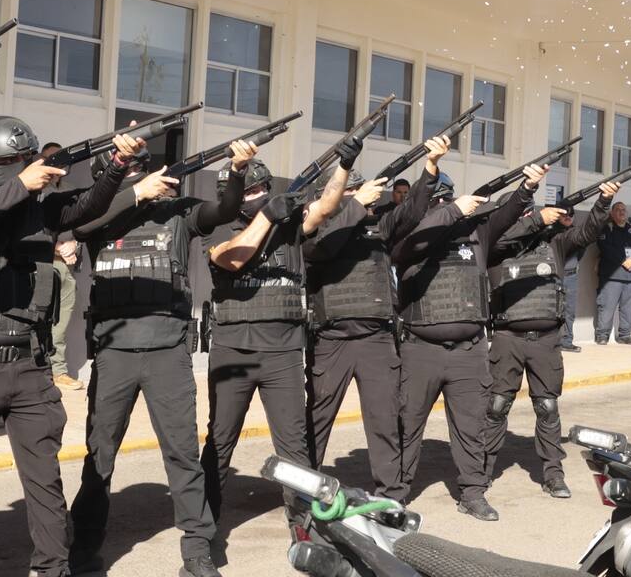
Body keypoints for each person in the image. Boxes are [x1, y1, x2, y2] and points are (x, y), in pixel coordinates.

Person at [0, 116, 142, 577]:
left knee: (45, 479)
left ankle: (53, 568)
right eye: (11, 162)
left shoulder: (41, 209)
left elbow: (88, 206)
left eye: (25, 160)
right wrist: (24, 183)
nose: (22, 168)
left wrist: (116, 165)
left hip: (30, 364)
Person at [69, 139, 258, 577]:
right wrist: (134, 194)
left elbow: (225, 211)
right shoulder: (97, 215)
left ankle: (197, 551)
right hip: (114, 352)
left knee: (182, 455)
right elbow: (81, 228)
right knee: (100, 454)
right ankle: (83, 549)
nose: (138, 175)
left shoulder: (177, 211)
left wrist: (237, 170)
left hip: (167, 351)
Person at [201, 146, 355, 534]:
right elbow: (233, 259)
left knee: (294, 448)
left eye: (256, 193)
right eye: (240, 193)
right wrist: (268, 216)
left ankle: (303, 525)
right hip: (232, 351)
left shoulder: (289, 226)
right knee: (219, 444)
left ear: (267, 189)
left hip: (283, 354)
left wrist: (344, 167)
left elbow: (326, 207)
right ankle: (205, 525)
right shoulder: (220, 226)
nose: (244, 199)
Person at [391, 162, 549, 521]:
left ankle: (473, 492)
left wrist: (528, 187)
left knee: (471, 427)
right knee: (406, 424)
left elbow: (508, 214)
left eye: (447, 201)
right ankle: (396, 492)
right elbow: (406, 248)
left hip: (468, 352)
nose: (444, 209)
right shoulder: (409, 238)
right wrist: (448, 211)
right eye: (437, 203)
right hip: (420, 349)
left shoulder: (477, 233)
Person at [303, 136, 449, 500]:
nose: (361, 196)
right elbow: (322, 248)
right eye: (350, 191)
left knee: (385, 420)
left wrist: (429, 167)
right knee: (316, 421)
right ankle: (302, 494)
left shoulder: (378, 227)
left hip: (376, 340)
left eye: (359, 190)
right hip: (332, 340)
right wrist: (353, 204)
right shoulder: (314, 227)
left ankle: (392, 497)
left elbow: (412, 212)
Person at [483, 180, 618, 499]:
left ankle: (553, 475)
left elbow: (586, 233)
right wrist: (533, 220)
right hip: (507, 339)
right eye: (522, 214)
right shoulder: (493, 248)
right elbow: (502, 237)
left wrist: (603, 203)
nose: (530, 218)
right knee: (496, 406)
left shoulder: (554, 243)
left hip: (544, 342)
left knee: (547, 407)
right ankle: (482, 471)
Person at [39, 142, 85, 391]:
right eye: (53, 159)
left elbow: (83, 226)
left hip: (66, 267)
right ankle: (37, 371)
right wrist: (56, 247)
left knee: (62, 320)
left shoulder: (70, 191)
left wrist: (75, 245)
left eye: (62, 160)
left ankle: (58, 371)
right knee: (38, 319)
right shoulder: (35, 188)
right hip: (41, 265)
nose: (59, 164)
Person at [594, 202, 631, 346]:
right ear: (612, 213)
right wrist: (624, 261)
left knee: (628, 308)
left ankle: (624, 335)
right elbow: (605, 248)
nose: (621, 212)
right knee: (607, 306)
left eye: (624, 210)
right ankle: (602, 335)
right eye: (618, 210)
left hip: (630, 278)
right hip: (612, 277)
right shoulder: (607, 229)